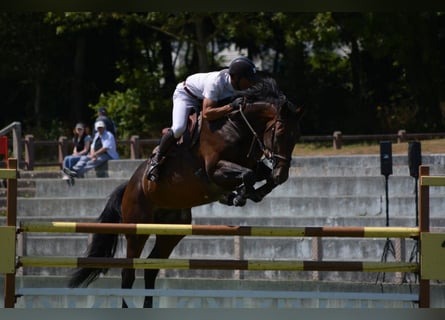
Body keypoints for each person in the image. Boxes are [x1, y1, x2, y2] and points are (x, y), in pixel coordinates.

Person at [146, 56, 259, 181]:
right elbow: (207, 113)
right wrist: (231, 106)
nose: (251, 83)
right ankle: (156, 159)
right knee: (179, 128)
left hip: (206, 100)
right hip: (187, 96)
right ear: (236, 78)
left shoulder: (240, 86)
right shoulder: (216, 82)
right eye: (248, 79)